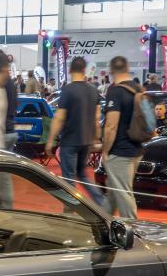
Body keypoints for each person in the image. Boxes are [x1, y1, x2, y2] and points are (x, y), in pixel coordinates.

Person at [47, 56, 106, 209]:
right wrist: (96, 138)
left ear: (70, 70)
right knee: (83, 174)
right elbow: (97, 118)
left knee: (69, 180)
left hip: (70, 141)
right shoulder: (93, 90)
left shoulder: (68, 90)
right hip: (86, 141)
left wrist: (50, 140)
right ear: (84, 70)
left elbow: (60, 117)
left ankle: (70, 210)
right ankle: (101, 203)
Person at [100, 56, 145, 219]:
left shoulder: (115, 91)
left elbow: (111, 126)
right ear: (127, 68)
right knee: (113, 192)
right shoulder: (138, 89)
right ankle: (102, 223)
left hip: (120, 152)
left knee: (124, 195)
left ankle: (134, 230)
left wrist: (105, 151)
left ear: (111, 71)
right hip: (137, 149)